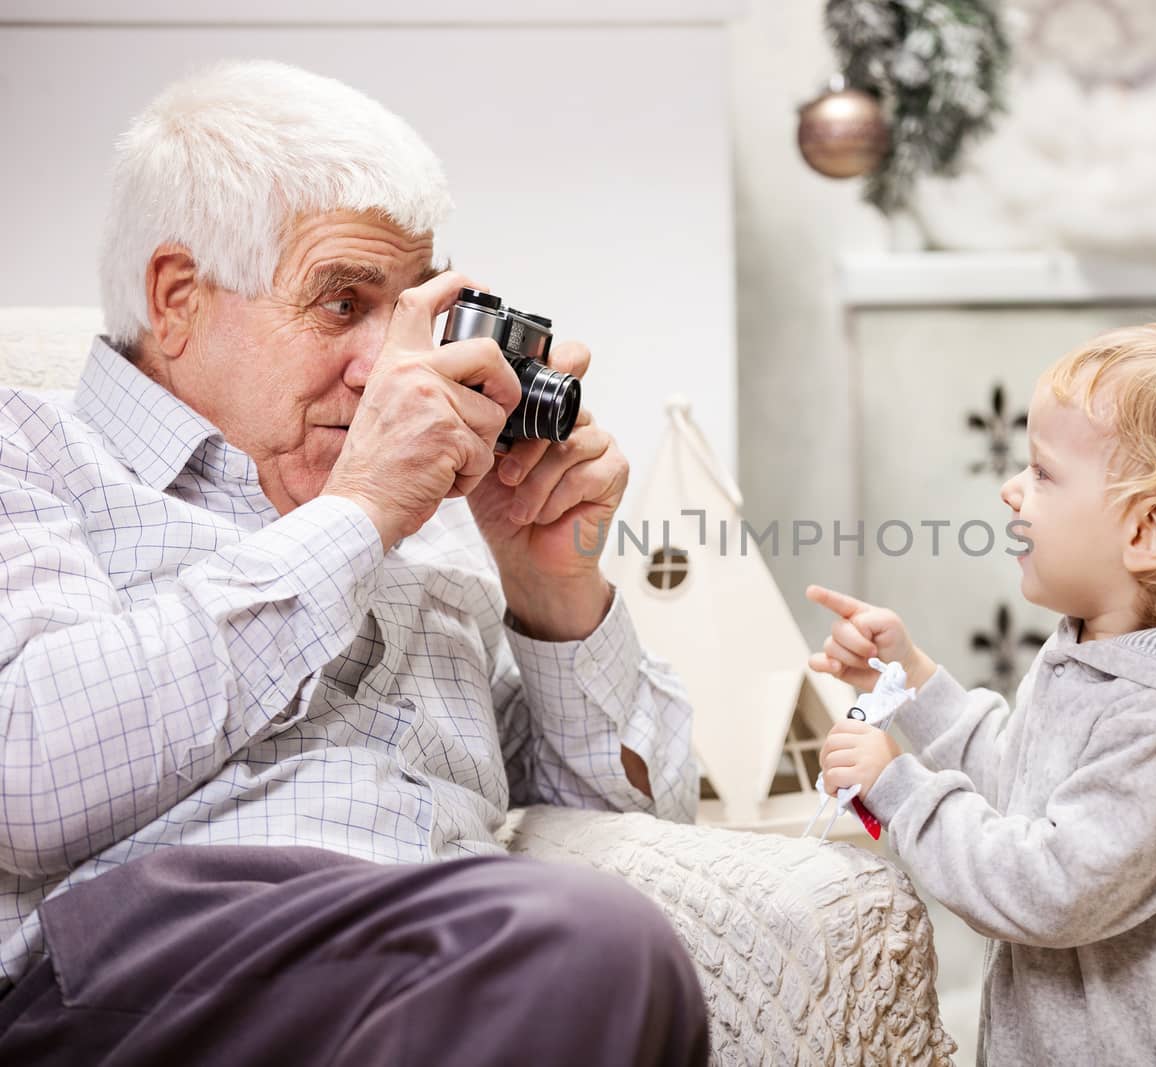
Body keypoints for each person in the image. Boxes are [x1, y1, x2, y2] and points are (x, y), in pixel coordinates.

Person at [0, 60, 706, 1065]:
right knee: (589, 940)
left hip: (436, 962)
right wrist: (360, 511)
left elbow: (636, 824)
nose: (388, 365)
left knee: (593, 947)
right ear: (177, 300)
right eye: (343, 303)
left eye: (411, 305)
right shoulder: (31, 453)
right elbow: (26, 773)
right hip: (135, 970)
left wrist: (550, 583)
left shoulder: (440, 516)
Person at [808, 322, 1156, 1066]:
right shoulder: (1094, 651)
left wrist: (898, 789)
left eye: (1043, 472)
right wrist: (913, 679)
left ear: (1148, 531)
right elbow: (1019, 787)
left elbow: (1047, 886)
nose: (1011, 488)